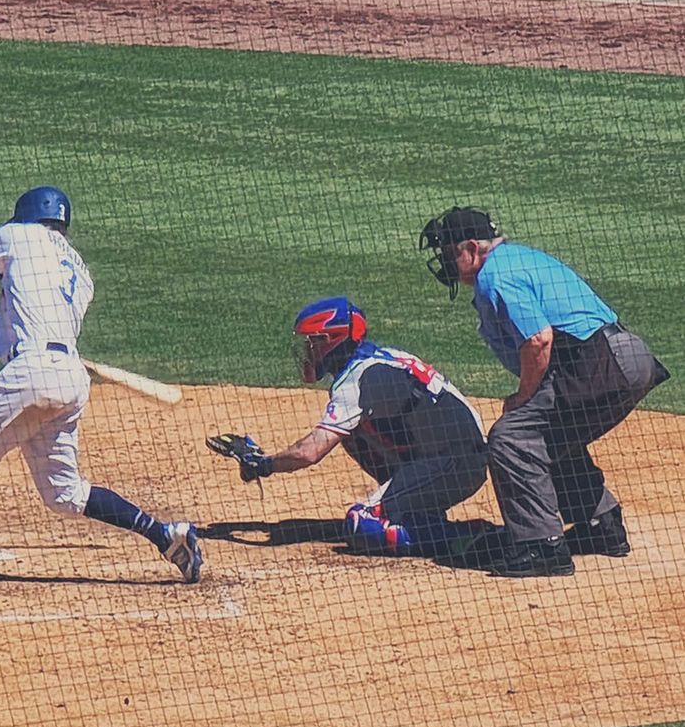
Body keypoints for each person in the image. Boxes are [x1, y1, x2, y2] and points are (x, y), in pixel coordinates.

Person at [0, 186, 203, 585]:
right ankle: (166, 536)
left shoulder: (16, 234)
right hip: (70, 375)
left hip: (29, 371)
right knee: (65, 494)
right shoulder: (82, 272)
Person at [419, 207, 670, 577]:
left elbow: (539, 339)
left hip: (599, 362)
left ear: (472, 248)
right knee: (548, 435)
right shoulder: (518, 259)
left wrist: (523, 396)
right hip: (626, 357)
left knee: (511, 439)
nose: (444, 261)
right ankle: (602, 526)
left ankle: (542, 548)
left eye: (449, 251)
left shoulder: (495, 275)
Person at [207, 297, 491, 558]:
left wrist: (263, 464)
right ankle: (414, 510)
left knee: (362, 525)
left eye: (313, 342)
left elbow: (310, 452)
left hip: (455, 462)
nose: (307, 350)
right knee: (354, 434)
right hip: (449, 453)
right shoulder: (376, 358)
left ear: (332, 342)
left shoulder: (356, 380)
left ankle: (472, 538)